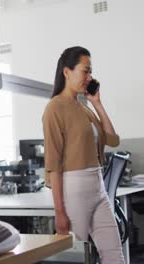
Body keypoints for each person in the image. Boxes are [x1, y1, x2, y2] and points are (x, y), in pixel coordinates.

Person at [43, 46, 124, 263]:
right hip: (74, 189)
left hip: (98, 186)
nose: (89, 77)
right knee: (75, 256)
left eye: (90, 72)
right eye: (85, 71)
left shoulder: (84, 106)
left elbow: (113, 140)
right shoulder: (55, 108)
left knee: (114, 254)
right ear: (67, 72)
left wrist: (97, 103)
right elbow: (54, 164)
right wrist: (60, 211)